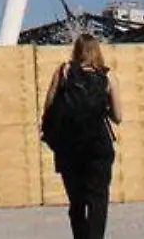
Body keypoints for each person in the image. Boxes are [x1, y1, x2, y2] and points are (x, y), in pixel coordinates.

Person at [40, 34, 121, 239]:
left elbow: (49, 106)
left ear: (76, 50)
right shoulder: (108, 77)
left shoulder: (63, 72)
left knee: (77, 202)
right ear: (97, 51)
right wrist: (104, 108)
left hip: (69, 148)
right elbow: (118, 117)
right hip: (98, 146)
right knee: (97, 201)